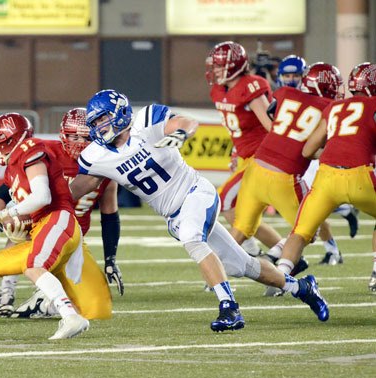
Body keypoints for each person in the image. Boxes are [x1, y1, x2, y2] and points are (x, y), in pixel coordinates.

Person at [70, 89, 330, 332]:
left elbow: (186, 122)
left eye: (103, 118)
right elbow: (78, 188)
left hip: (196, 192)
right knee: (244, 266)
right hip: (174, 215)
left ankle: (229, 308)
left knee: (192, 238)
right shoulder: (96, 156)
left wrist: (181, 133)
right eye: (95, 123)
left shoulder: (145, 123)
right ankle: (301, 287)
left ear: (120, 112)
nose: (99, 126)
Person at [0, 112, 89, 339]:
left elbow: (42, 197)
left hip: (59, 220)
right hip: (43, 226)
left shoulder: (30, 149)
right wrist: (13, 224)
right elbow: (27, 206)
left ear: (10, 138)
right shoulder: (12, 168)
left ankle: (71, 317)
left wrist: (6, 214)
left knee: (33, 266)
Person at [0, 108, 120, 320]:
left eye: (86, 137)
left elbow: (110, 216)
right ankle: (6, 292)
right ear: (62, 134)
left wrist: (110, 258)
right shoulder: (45, 152)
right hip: (42, 224)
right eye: (73, 136)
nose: (79, 142)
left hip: (74, 239)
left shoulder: (104, 163)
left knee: (96, 309)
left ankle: (45, 301)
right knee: (20, 224)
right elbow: (1, 191)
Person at [230, 63, 346, 276]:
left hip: (255, 171)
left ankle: (214, 280)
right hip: (285, 176)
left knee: (240, 229)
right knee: (309, 231)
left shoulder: (285, 94)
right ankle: (274, 260)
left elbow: (274, 116)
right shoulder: (330, 109)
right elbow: (311, 149)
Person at [276, 62, 376, 292]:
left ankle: (280, 278)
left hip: (326, 177)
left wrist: (338, 151)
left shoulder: (335, 107)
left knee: (299, 233)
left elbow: (308, 150)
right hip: (361, 176)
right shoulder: (373, 104)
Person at [206, 42, 297, 269]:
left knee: (225, 199)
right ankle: (289, 255)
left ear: (234, 65)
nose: (215, 70)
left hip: (260, 157)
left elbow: (270, 125)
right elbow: (239, 127)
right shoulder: (220, 89)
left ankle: (242, 250)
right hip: (245, 156)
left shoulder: (252, 87)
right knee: (245, 212)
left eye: (219, 65)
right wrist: (237, 150)